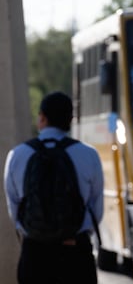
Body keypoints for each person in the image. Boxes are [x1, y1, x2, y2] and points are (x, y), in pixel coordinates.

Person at [3, 91, 104, 284]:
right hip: (76, 253)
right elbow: (95, 209)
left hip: (35, 254)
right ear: (71, 119)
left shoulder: (17, 155)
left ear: (42, 117)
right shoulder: (89, 155)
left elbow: (14, 209)